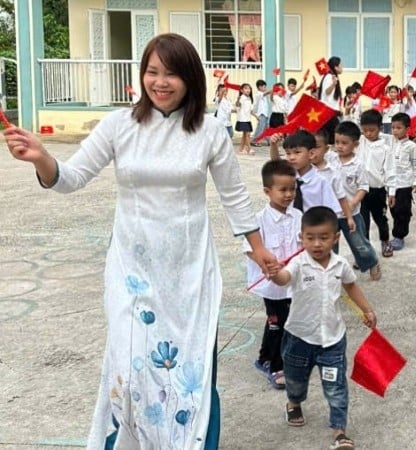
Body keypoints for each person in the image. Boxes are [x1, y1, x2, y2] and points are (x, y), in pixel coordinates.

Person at [3, 33, 276, 449]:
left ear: (190, 79)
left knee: (189, 367)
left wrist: (258, 249)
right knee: (129, 366)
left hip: (188, 271)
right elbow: (71, 178)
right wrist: (41, 156)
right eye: (152, 72)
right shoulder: (119, 125)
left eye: (171, 73)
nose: (160, 82)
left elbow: (235, 197)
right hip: (131, 269)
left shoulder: (210, 131)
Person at [266, 206, 377, 450]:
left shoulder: (340, 264)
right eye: (310, 238)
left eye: (324, 238)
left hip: (333, 340)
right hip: (299, 338)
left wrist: (367, 309)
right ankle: (293, 403)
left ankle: (339, 432)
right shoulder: (298, 264)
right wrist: (274, 275)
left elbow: (351, 286)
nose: (317, 244)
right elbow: (284, 278)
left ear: (336, 238)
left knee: (336, 388)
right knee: (295, 382)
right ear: (301, 238)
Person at [246, 160, 303, 390]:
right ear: (267, 192)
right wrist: (264, 263)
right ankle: (276, 366)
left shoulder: (299, 216)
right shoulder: (258, 220)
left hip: (292, 283)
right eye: (283, 190)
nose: (289, 194)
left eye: (293, 189)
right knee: (278, 324)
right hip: (271, 286)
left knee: (281, 323)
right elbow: (249, 248)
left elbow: (305, 243)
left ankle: (263, 358)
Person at [329, 122, 382, 280]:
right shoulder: (330, 159)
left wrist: (353, 202)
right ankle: (331, 272)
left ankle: (372, 262)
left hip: (352, 213)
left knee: (359, 244)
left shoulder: (358, 164)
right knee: (330, 246)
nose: (339, 146)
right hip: (330, 214)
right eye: (337, 142)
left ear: (356, 144)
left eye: (344, 143)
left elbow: (364, 187)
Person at [358, 109, 397, 258]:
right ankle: (365, 251)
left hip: (378, 191)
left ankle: (385, 241)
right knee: (362, 222)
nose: (368, 134)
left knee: (380, 219)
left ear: (380, 128)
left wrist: (391, 192)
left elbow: (391, 171)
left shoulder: (386, 149)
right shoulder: (359, 142)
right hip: (361, 191)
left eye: (372, 130)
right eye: (365, 130)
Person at [387, 112, 416, 251]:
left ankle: (399, 236)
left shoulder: (411, 146)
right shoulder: (389, 142)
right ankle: (397, 230)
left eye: (398, 128)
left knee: (403, 211)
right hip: (391, 185)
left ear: (407, 129)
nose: (395, 131)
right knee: (393, 209)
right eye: (393, 127)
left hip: (404, 184)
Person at [317, 56, 343, 145]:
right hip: (327, 112)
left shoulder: (332, 76)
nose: (342, 67)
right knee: (334, 135)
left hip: (330, 112)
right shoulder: (329, 77)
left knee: (330, 136)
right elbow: (326, 92)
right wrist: (333, 84)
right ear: (335, 67)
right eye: (341, 65)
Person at [234, 83, 256, 155]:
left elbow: (250, 110)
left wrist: (256, 116)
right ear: (242, 90)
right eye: (246, 88)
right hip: (242, 119)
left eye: (249, 88)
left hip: (247, 119)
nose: (248, 90)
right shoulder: (242, 97)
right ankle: (249, 149)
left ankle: (240, 149)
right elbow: (237, 105)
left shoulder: (249, 98)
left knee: (244, 134)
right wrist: (238, 100)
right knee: (247, 134)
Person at [252, 79, 270, 145]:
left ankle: (269, 141)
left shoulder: (263, 95)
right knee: (260, 128)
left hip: (265, 114)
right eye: (264, 87)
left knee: (267, 128)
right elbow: (266, 93)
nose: (265, 88)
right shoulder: (259, 94)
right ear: (260, 87)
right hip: (261, 114)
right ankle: (254, 141)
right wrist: (273, 89)